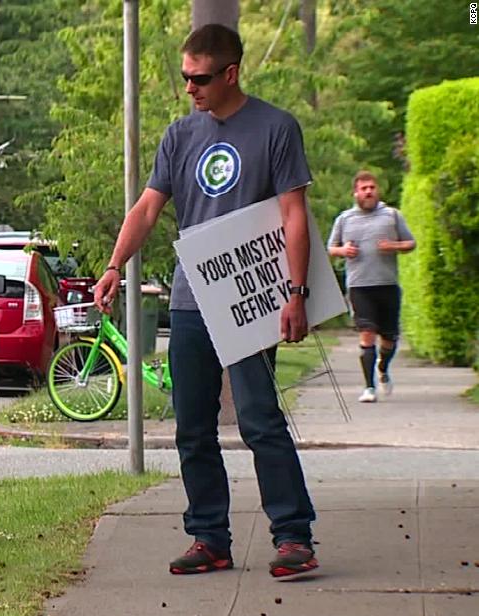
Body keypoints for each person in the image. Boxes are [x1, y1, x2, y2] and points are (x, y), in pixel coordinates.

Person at [93, 24, 319, 578]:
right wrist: (114, 264)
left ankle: (293, 536)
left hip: (251, 299)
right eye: (185, 77)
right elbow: (147, 208)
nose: (189, 88)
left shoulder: (276, 128)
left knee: (259, 419)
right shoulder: (179, 136)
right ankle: (208, 537)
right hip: (192, 300)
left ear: (231, 73)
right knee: (192, 425)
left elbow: (294, 214)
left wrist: (296, 292)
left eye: (198, 78)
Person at [328, 171, 416, 403]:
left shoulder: (392, 215)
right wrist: (343, 251)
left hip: (387, 285)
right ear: (355, 193)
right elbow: (331, 248)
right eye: (364, 188)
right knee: (366, 334)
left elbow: (411, 243)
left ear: (377, 190)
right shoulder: (344, 219)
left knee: (389, 338)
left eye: (372, 187)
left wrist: (393, 246)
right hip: (359, 285)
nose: (368, 191)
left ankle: (383, 368)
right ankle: (369, 388)